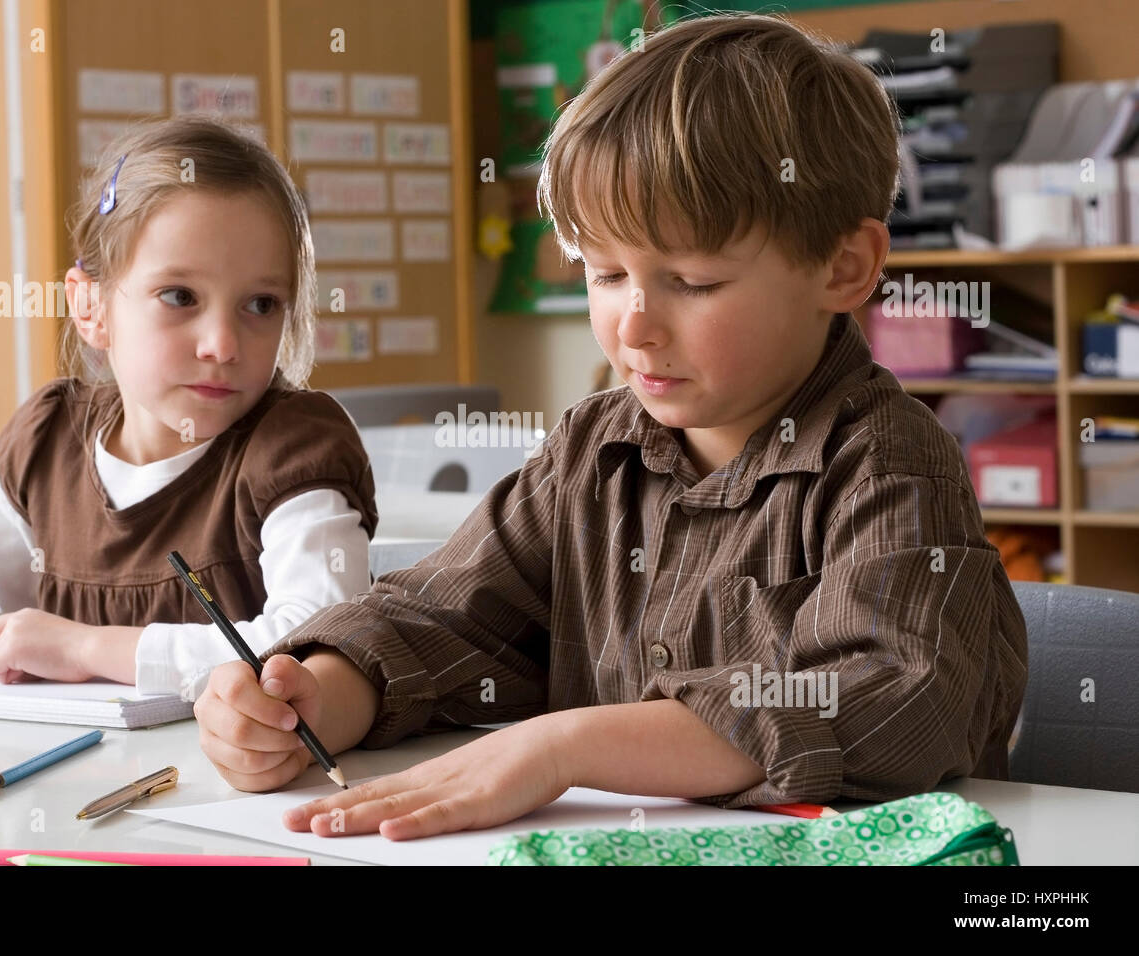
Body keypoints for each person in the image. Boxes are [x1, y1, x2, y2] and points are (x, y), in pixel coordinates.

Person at [195, 13, 1028, 841]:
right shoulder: (591, 453)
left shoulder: (888, 463)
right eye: (603, 273)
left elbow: (896, 696)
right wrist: (314, 697)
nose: (633, 326)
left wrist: (567, 746)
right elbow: (444, 620)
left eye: (694, 282)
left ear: (843, 269)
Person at [0, 117, 377, 701]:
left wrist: (83, 649)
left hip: (238, 787)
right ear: (91, 306)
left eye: (261, 303)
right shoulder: (49, 438)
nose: (222, 344)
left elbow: (319, 641)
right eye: (180, 297)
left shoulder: (294, 447)